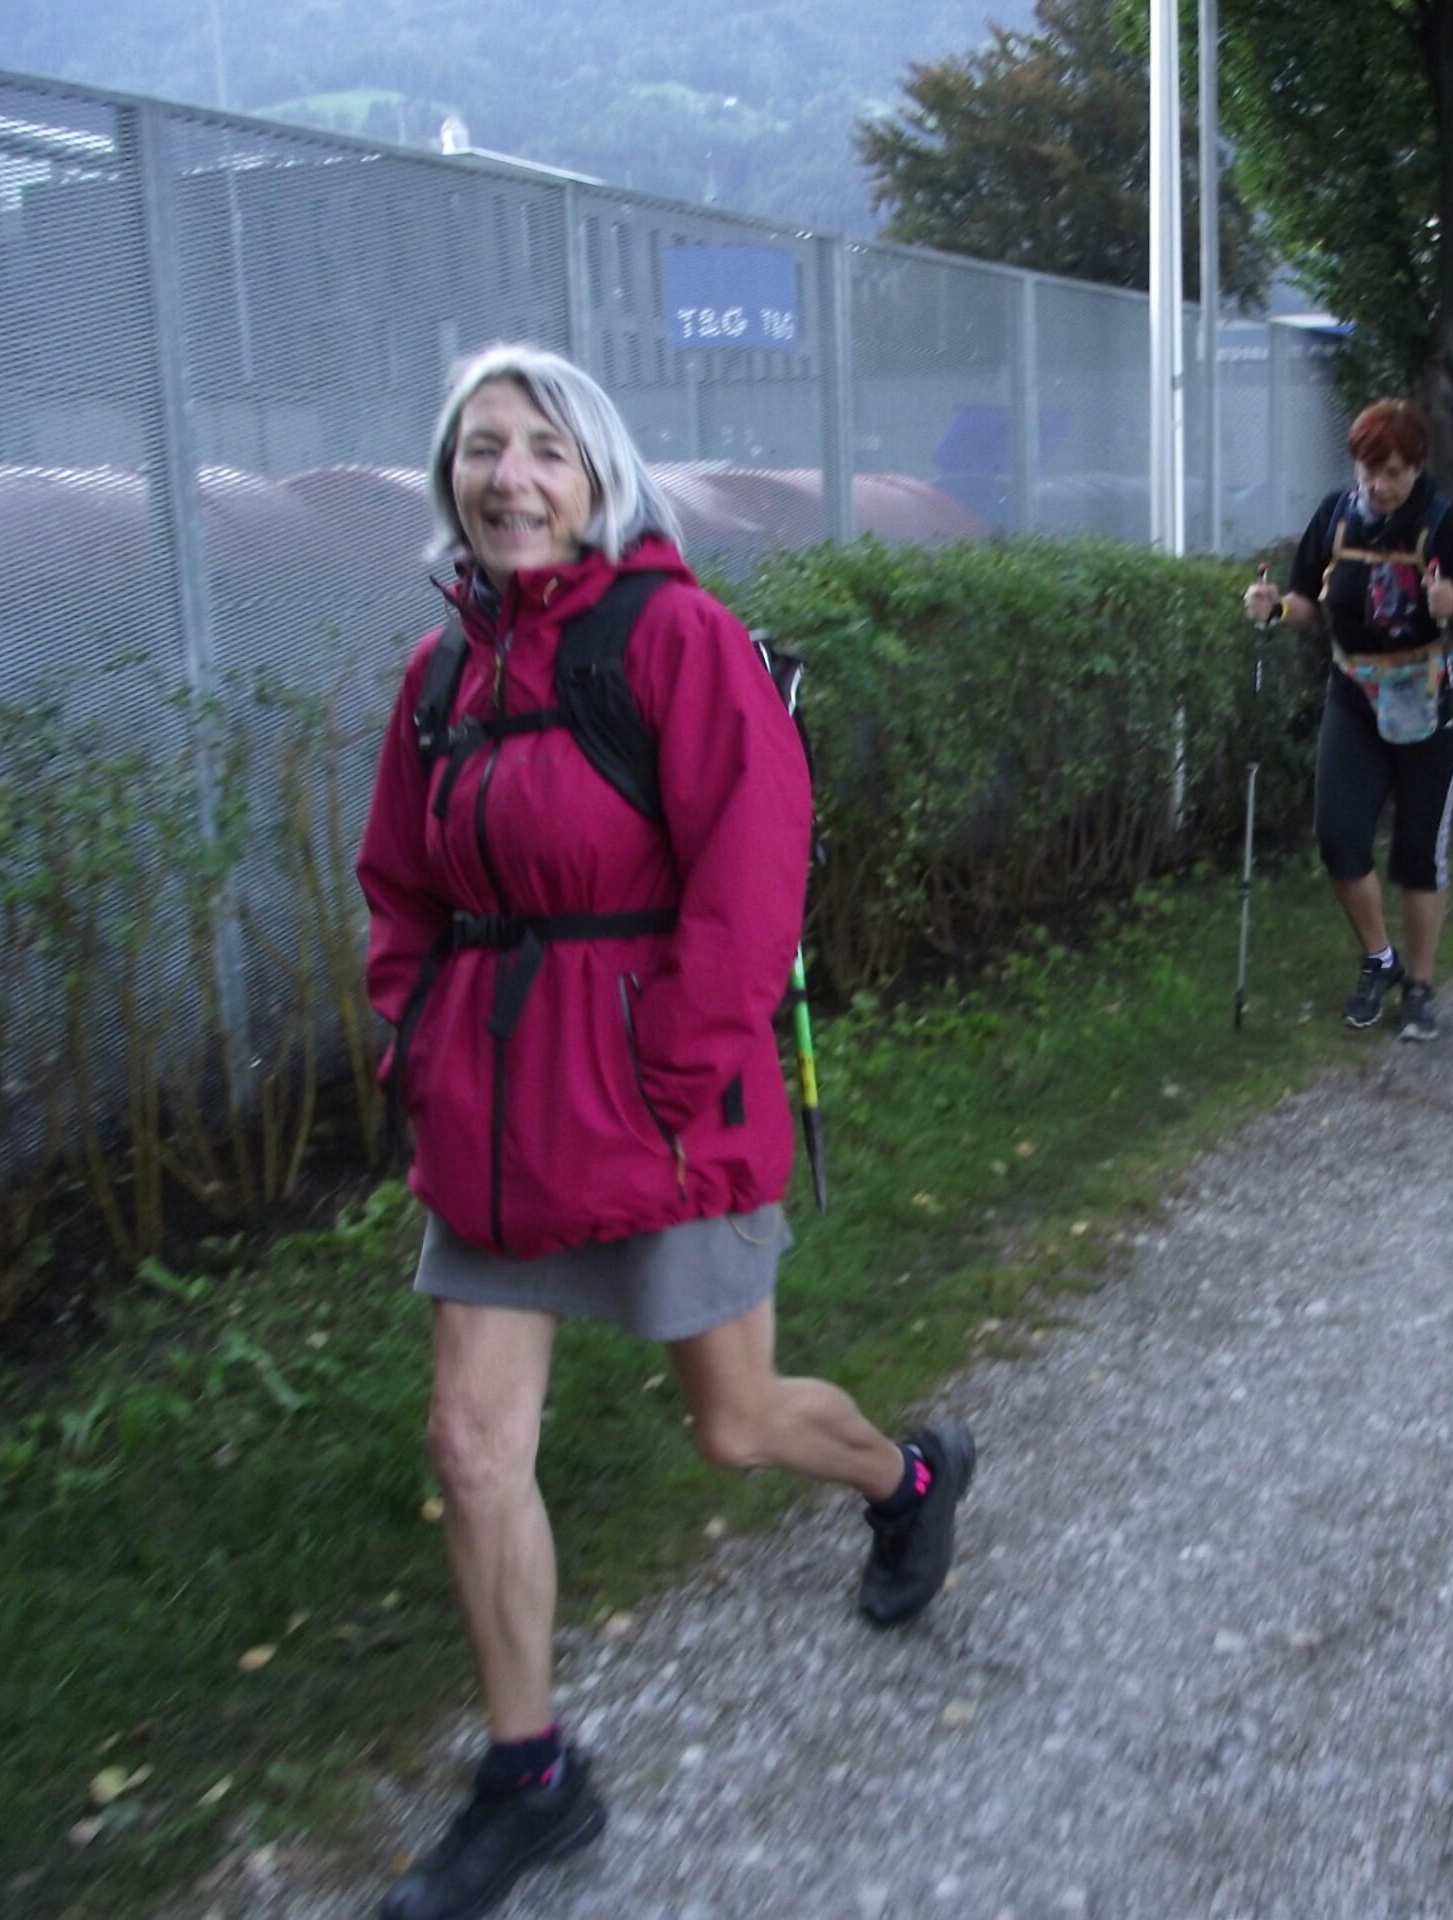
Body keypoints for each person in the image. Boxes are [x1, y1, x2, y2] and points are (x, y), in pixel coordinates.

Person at [358, 345, 975, 1920]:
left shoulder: (674, 639)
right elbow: (399, 885)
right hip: (490, 1117)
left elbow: (754, 874)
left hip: (660, 1109)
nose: (508, 477)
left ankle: (905, 1480)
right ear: (450, 478)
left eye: (542, 449)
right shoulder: (436, 680)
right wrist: (414, 1038)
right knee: (471, 1444)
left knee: (736, 1426)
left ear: (599, 477)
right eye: (481, 448)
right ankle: (532, 1779)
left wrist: (672, 1073)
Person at [1243, 398, 1453, 1042]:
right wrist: (1275, 609)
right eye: (1368, 471)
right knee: (1339, 836)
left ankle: (1419, 986)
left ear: (1417, 468)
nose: (1379, 486)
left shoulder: (1442, 523)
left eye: (1393, 473)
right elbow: (1309, 602)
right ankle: (1379, 958)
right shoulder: (1336, 515)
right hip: (1355, 694)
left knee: (1417, 850)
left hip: (1435, 701)